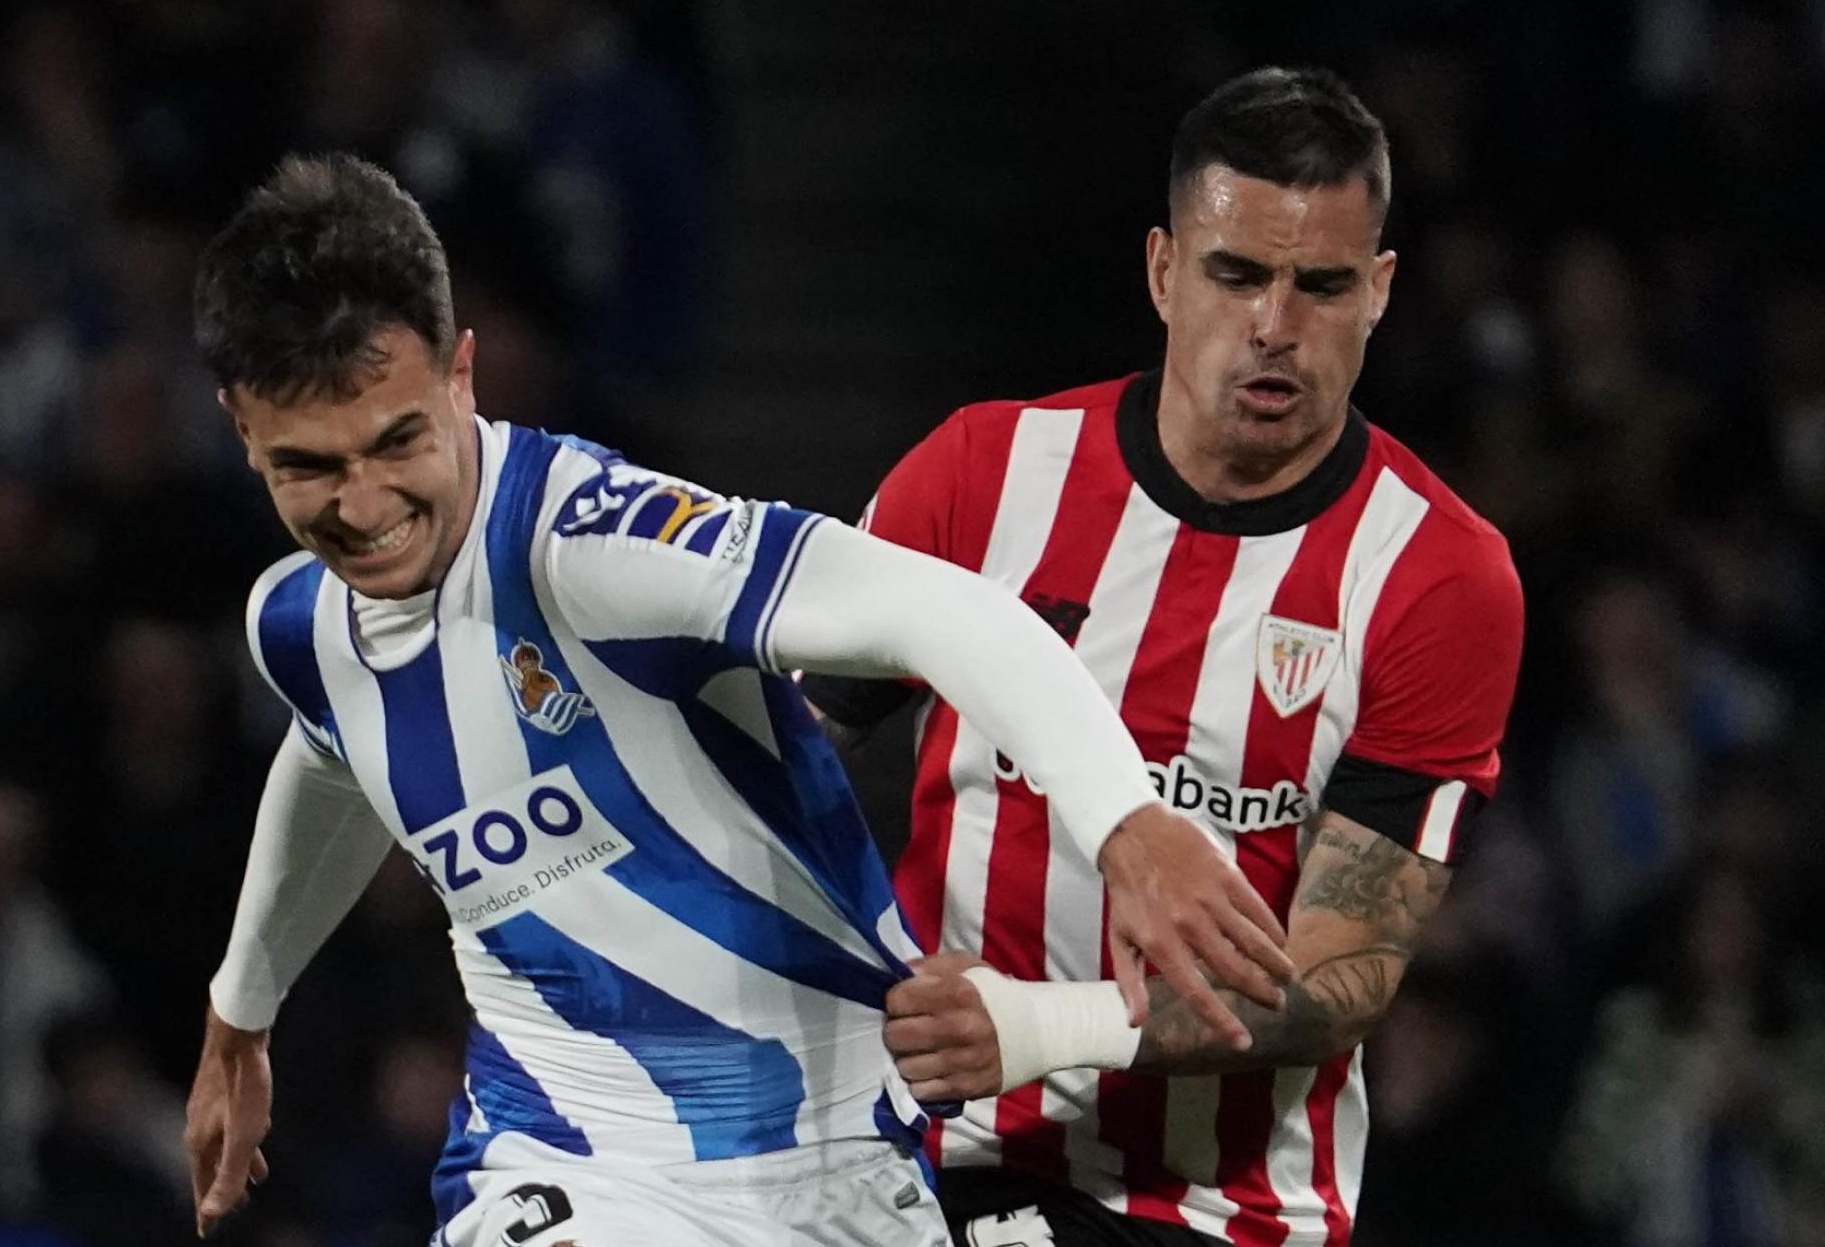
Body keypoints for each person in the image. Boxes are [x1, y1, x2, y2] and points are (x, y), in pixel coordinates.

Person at [181, 153, 1298, 1247]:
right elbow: (334, 756)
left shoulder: (598, 547)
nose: (365, 504)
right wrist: (242, 1010)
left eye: (397, 440)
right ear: (242, 427)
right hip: (560, 1149)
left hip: (829, 1158)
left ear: (462, 372)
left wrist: (1129, 824)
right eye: (311, 467)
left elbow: (945, 611)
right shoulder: (299, 625)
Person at [801, 68, 1524, 1247]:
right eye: (1238, 274)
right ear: (1162, 270)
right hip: (912, 1154)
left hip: (1212, 1208)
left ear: (1381, 292)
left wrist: (1039, 1030)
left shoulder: (1439, 576)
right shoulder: (981, 475)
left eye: (1322, 285)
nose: (1275, 326)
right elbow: (779, 760)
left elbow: (1344, 972)